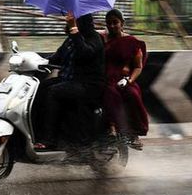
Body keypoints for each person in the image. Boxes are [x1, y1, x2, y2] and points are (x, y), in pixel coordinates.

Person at [34, 12, 105, 150]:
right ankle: (37, 132)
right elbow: (56, 57)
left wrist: (74, 30)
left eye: (76, 20)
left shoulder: (94, 37)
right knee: (40, 88)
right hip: (70, 80)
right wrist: (35, 60)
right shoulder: (70, 40)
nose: (70, 22)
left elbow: (85, 53)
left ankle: (50, 139)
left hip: (88, 84)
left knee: (53, 92)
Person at [101, 9, 149, 151]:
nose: (112, 26)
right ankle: (111, 127)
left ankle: (133, 134)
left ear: (122, 23)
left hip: (124, 80)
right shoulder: (101, 39)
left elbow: (138, 67)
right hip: (105, 79)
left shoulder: (132, 42)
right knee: (110, 94)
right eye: (109, 23)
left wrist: (129, 80)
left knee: (132, 95)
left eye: (115, 23)